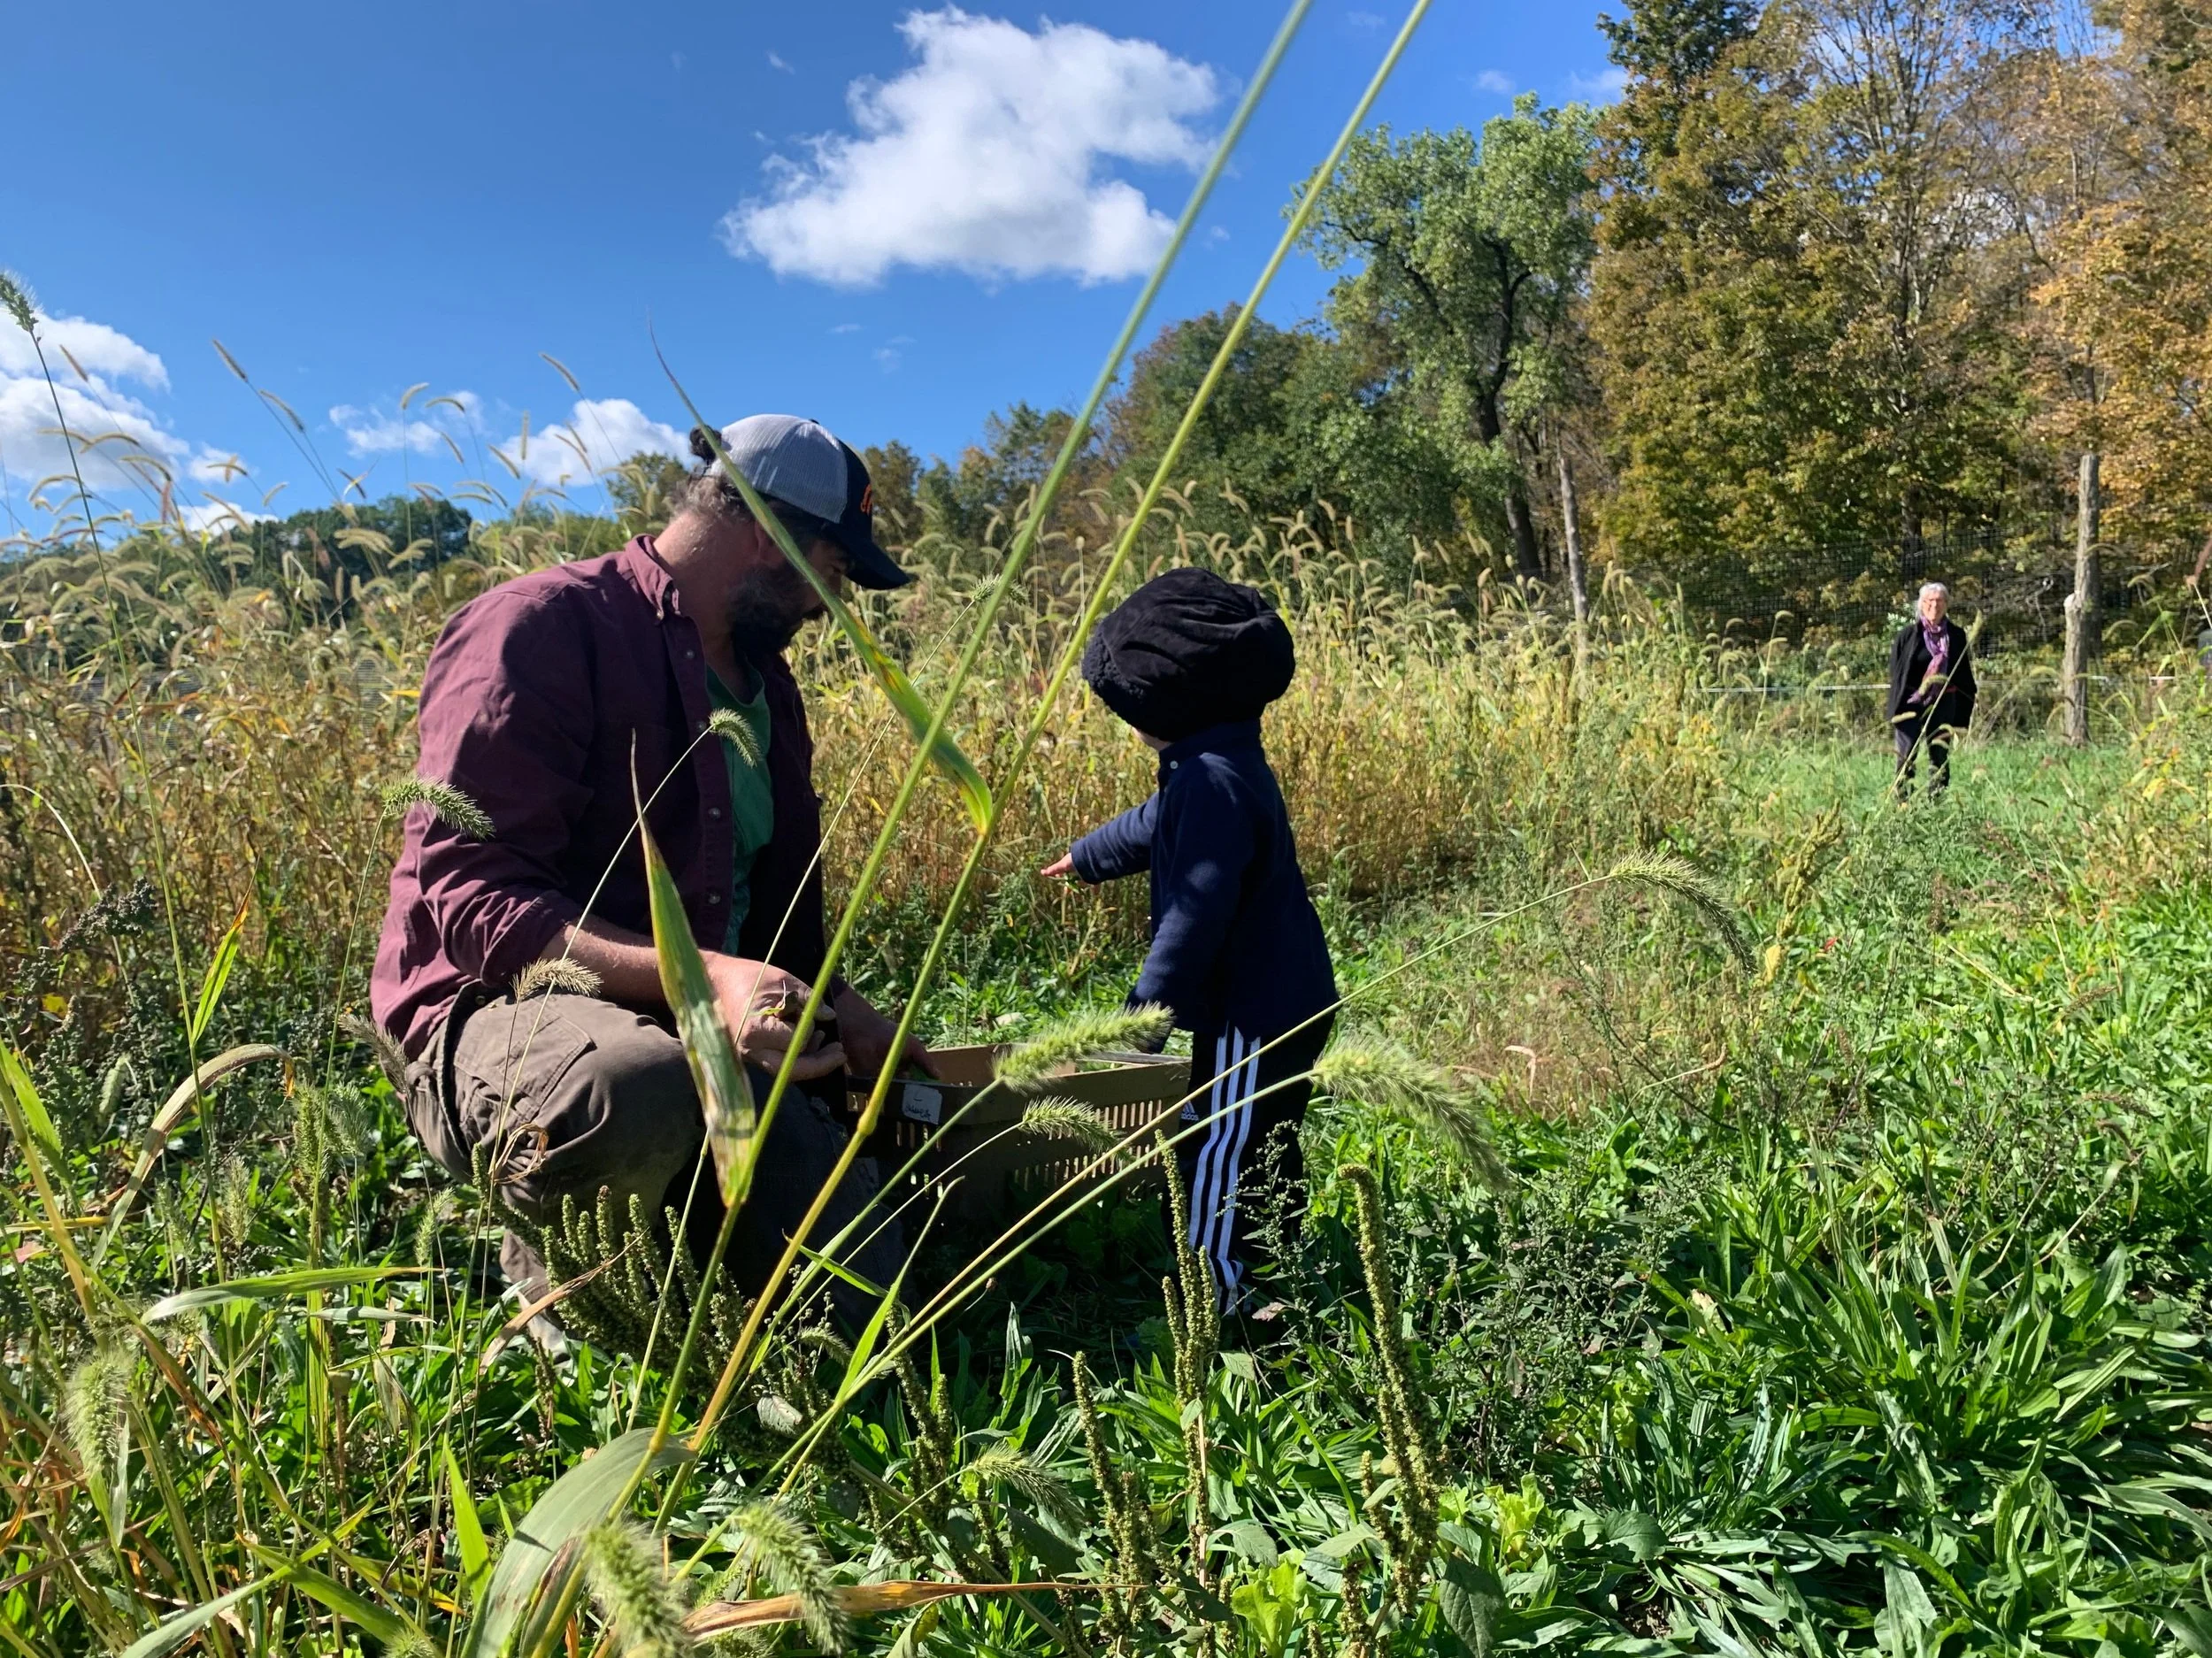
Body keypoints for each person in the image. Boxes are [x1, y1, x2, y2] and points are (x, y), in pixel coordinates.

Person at [371, 415, 934, 1316]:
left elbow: (770, 917)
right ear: (765, 530)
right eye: (828, 572)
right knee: (629, 1087)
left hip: (690, 1019)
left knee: (861, 1307)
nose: (830, 604)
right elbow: (470, 901)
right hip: (506, 1010)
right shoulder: (541, 629)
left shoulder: (766, 691)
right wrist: (701, 979)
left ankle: (672, 1228)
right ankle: (555, 1299)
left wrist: (835, 1007)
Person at [1041, 568, 1338, 1312]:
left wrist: (1146, 1013)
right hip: (1280, 999)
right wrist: (1089, 854)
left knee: (1218, 1147)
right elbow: (1155, 822)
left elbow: (1196, 914)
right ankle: (1276, 1261)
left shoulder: (1212, 782)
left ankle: (1219, 1298)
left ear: (1166, 699)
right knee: (1263, 1140)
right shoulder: (1215, 766)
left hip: (1254, 1012)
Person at [1886, 581, 1977, 798]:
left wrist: (1963, 705)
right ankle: (1903, 802)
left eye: (1939, 601)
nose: (1934, 606)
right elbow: (1895, 670)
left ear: (1946, 604)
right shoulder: (1908, 635)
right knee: (1907, 755)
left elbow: (1963, 672)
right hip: (1910, 702)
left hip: (1943, 703)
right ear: (1921, 605)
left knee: (1939, 755)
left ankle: (1936, 802)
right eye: (1929, 601)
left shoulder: (1956, 635)